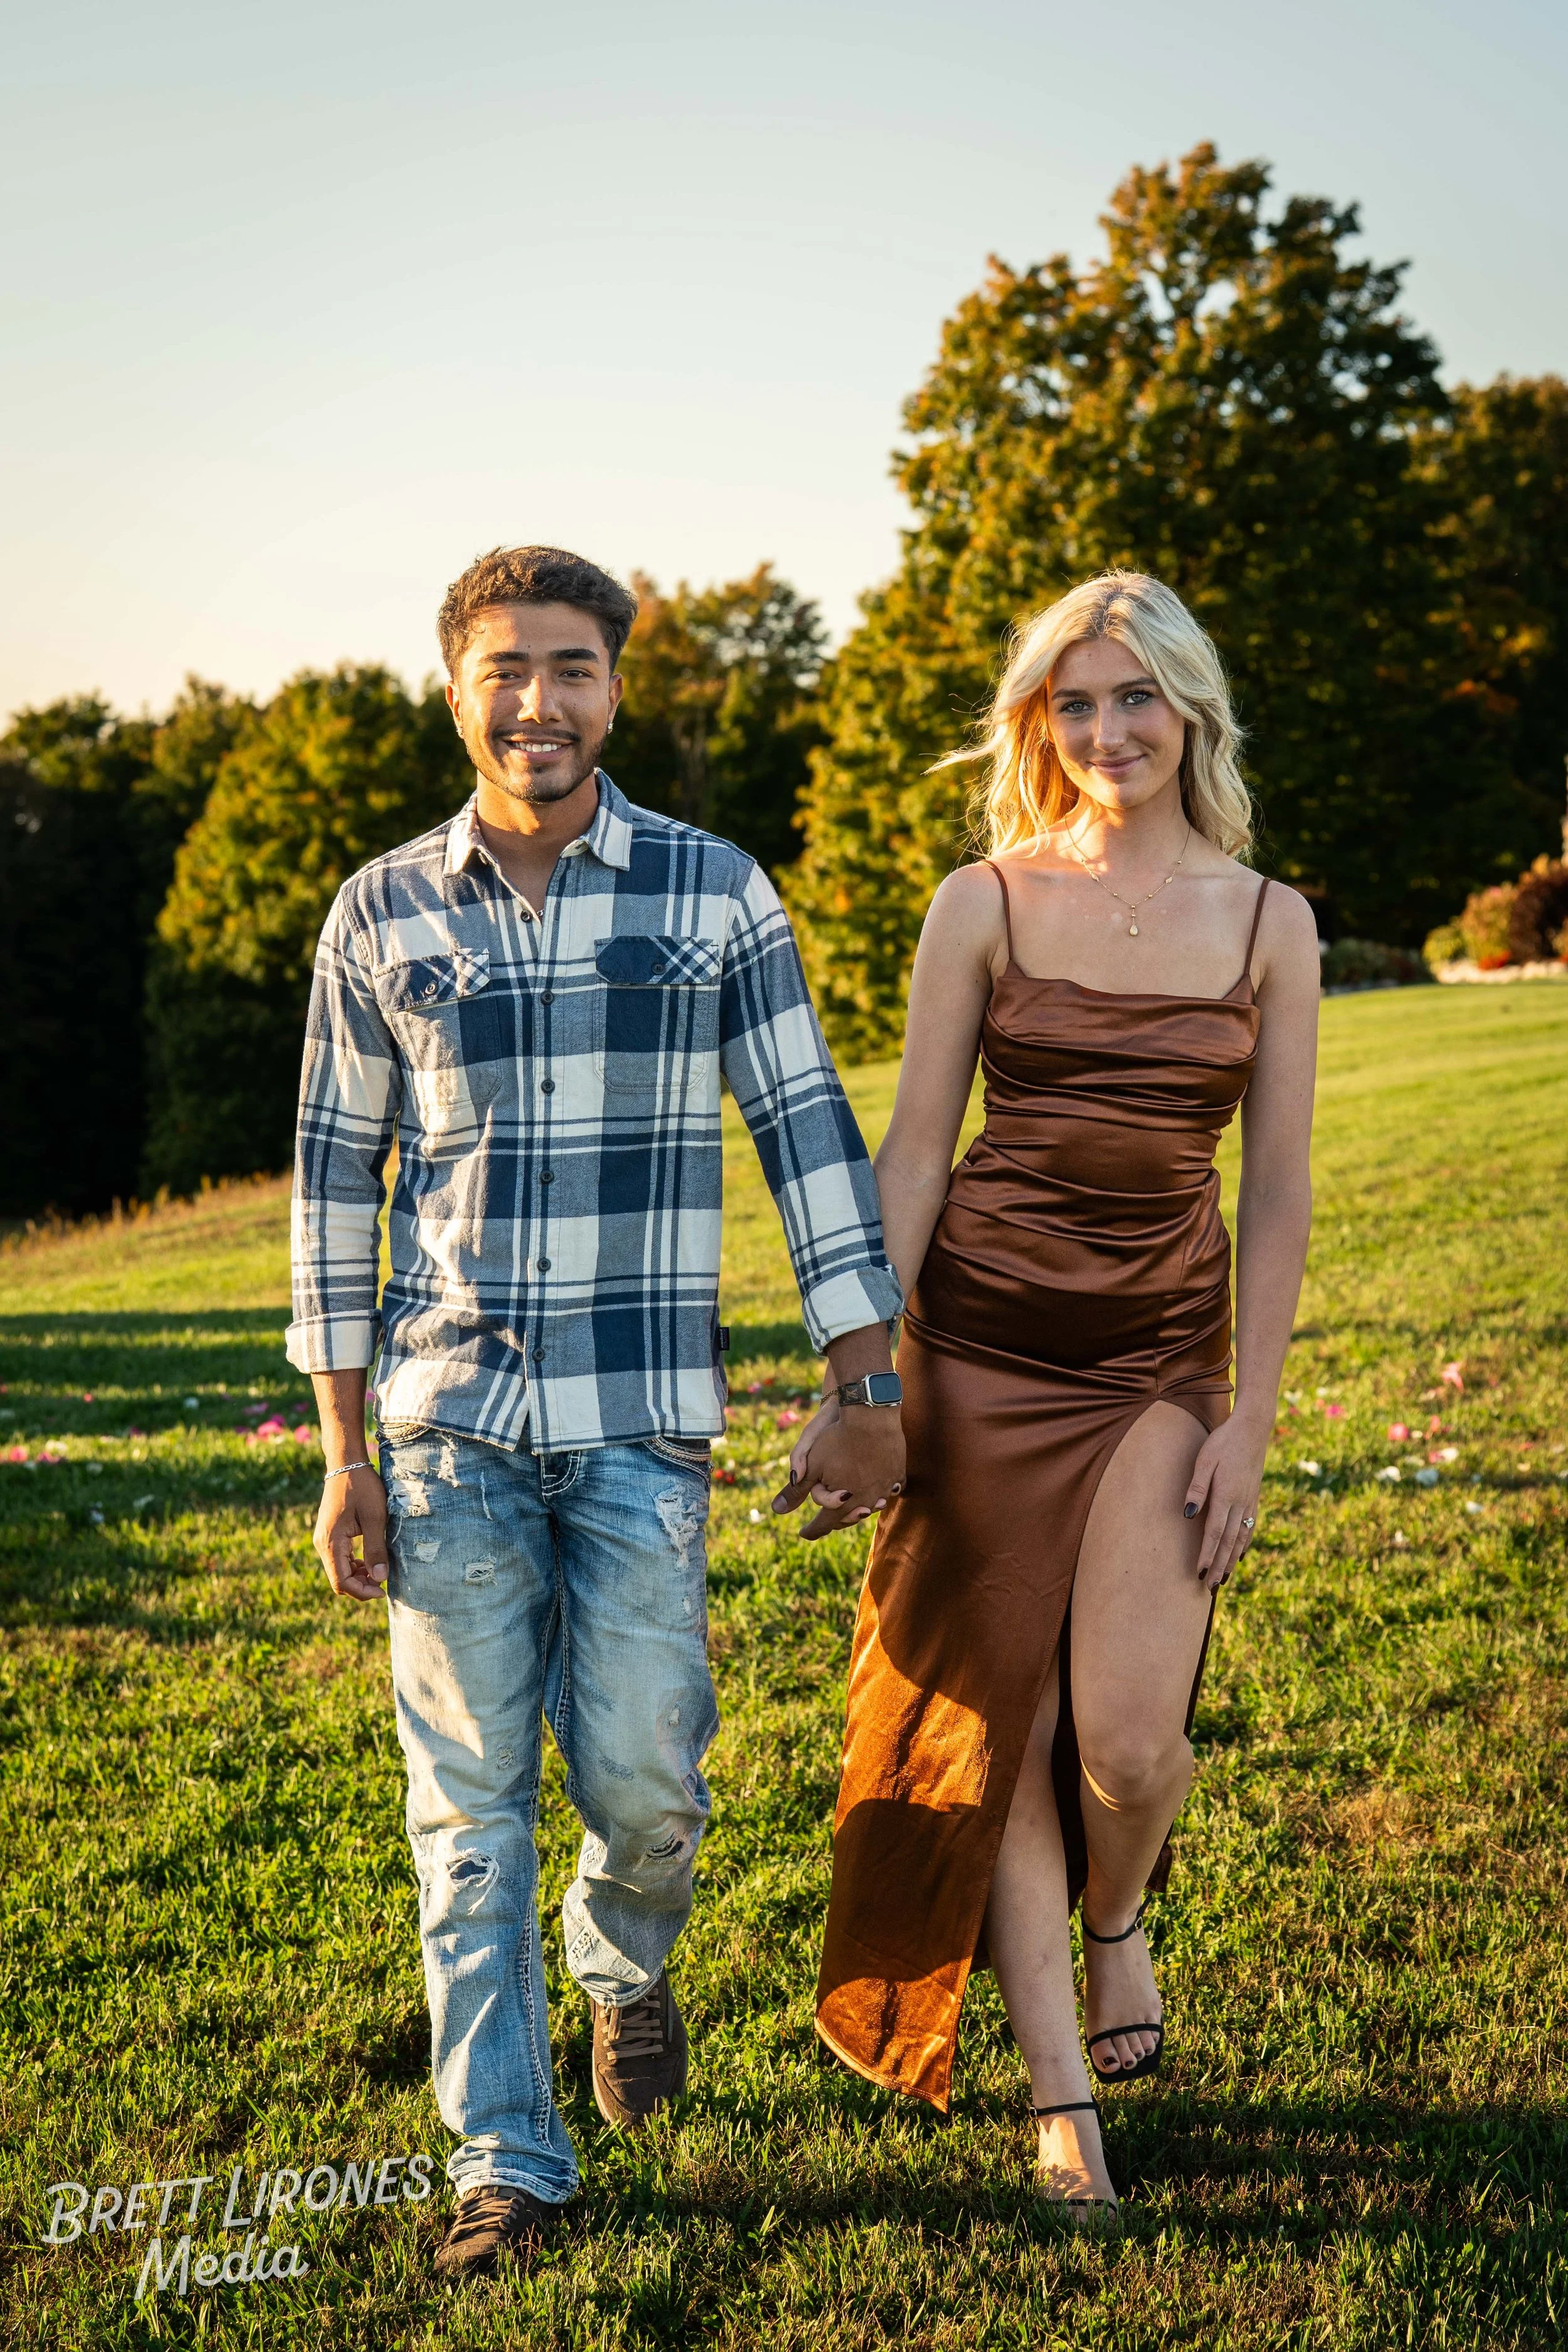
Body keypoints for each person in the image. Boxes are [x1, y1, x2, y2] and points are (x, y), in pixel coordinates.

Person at [287, 545, 906, 2281]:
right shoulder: (380, 913)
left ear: (614, 689)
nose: (538, 702)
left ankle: (623, 1962)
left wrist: (868, 1383)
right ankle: (506, 2152)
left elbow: (806, 1137)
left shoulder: (712, 892)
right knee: (466, 1802)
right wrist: (344, 1448)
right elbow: (333, 1191)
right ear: (456, 684)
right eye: (506, 668)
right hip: (445, 1425)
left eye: (571, 667)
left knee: (648, 1783)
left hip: (643, 1426)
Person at [803, 571, 1318, 2217]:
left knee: (1123, 1742)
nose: (1103, 730)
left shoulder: (1266, 922)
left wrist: (1248, 1414)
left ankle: (1117, 1915)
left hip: (1157, 1358)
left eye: (1132, 699)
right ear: (1039, 720)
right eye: (1071, 702)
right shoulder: (984, 898)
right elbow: (911, 1148)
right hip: (973, 1353)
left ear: (1188, 713)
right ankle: (1060, 2102)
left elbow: (1282, 1191)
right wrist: (869, 1370)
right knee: (992, 1727)